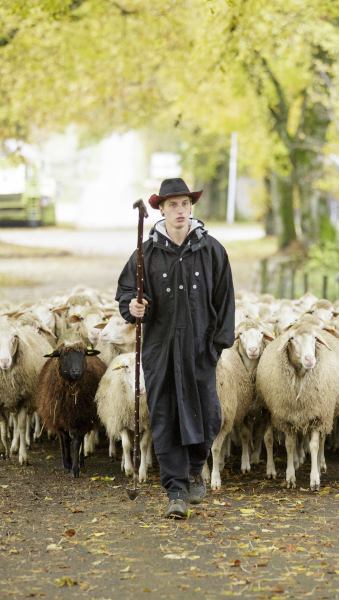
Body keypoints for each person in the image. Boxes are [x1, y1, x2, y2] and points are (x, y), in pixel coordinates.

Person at [116, 178, 235, 519]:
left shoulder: (212, 250)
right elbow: (127, 294)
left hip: (200, 350)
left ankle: (195, 469)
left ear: (191, 207)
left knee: (208, 415)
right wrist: (134, 307)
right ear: (161, 210)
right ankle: (176, 492)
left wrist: (216, 347)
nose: (180, 210)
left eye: (185, 204)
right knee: (165, 418)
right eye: (172, 205)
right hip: (161, 350)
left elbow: (225, 301)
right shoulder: (146, 253)